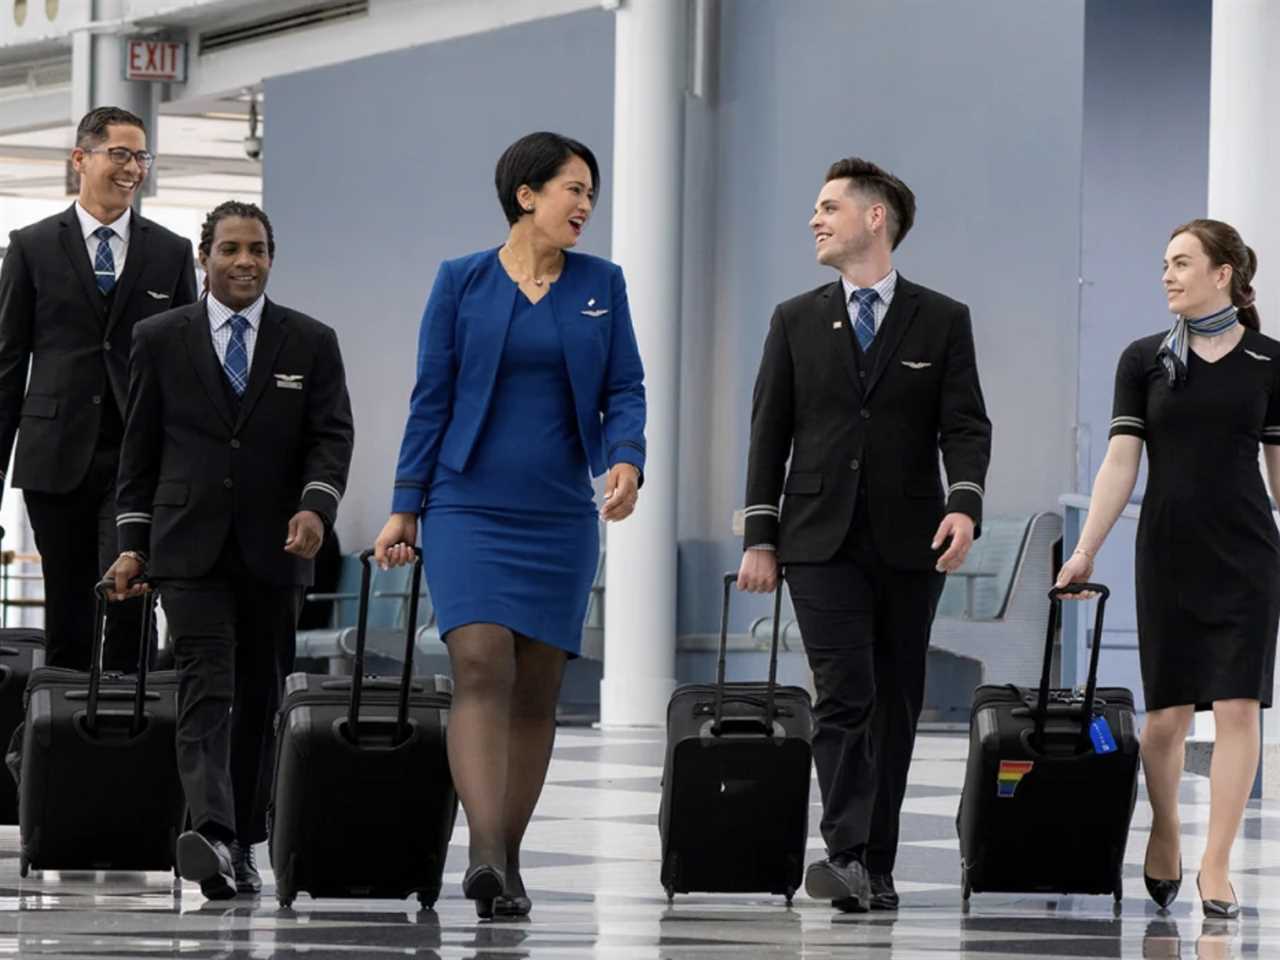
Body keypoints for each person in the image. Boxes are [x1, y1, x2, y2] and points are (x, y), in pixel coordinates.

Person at [374, 131, 646, 920]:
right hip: (465, 504)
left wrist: (627, 456)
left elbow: (625, 384)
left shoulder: (602, 283)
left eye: (591, 192)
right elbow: (432, 395)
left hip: (559, 510)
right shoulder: (459, 282)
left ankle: (508, 856)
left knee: (538, 687)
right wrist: (405, 502)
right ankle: (485, 855)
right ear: (526, 195)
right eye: (573, 188)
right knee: (482, 660)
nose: (586, 205)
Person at [737, 157, 991, 913]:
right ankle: (844, 851)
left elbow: (966, 424)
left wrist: (965, 503)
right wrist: (760, 532)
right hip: (818, 539)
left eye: (828, 207)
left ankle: (877, 865)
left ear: (875, 217)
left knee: (897, 701)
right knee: (845, 695)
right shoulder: (795, 318)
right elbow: (767, 431)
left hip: (913, 540)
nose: (815, 220)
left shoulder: (942, 318)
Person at [106, 201, 354, 900]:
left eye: (258, 250)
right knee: (204, 689)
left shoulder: (310, 341)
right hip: (186, 549)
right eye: (231, 249)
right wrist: (131, 545)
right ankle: (212, 832)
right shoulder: (158, 338)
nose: (245, 261)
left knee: (258, 696)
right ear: (203, 258)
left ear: (271, 257)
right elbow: (140, 454)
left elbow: (330, 439)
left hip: (277, 549)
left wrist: (315, 507)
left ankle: (242, 843)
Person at [1056, 219, 1271, 920]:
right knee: (1166, 717)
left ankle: (1216, 861)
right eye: (1163, 264)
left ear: (1225, 274)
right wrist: (1086, 548)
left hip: (1248, 552)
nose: (1167, 275)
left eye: (1181, 263)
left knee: (1241, 705)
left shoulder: (1272, 362)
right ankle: (1168, 825)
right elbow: (1121, 462)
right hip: (1169, 549)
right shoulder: (1144, 359)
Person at [0, 106, 197, 670]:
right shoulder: (32, 246)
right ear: (81, 158)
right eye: (120, 154)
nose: (133, 167)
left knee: (130, 597)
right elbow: (7, 363)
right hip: (54, 455)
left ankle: (126, 742)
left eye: (141, 157)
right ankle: (60, 747)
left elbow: (186, 369)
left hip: (136, 459)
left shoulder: (170, 252)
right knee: (67, 611)